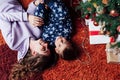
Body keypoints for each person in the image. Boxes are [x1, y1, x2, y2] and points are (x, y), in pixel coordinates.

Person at [0, 0, 55, 79]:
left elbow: (2, 17)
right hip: (13, 2)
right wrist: (36, 3)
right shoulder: (38, 33)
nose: (46, 44)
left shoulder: (14, 43)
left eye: (44, 49)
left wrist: (27, 17)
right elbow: (30, 11)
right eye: (47, 47)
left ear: (34, 52)